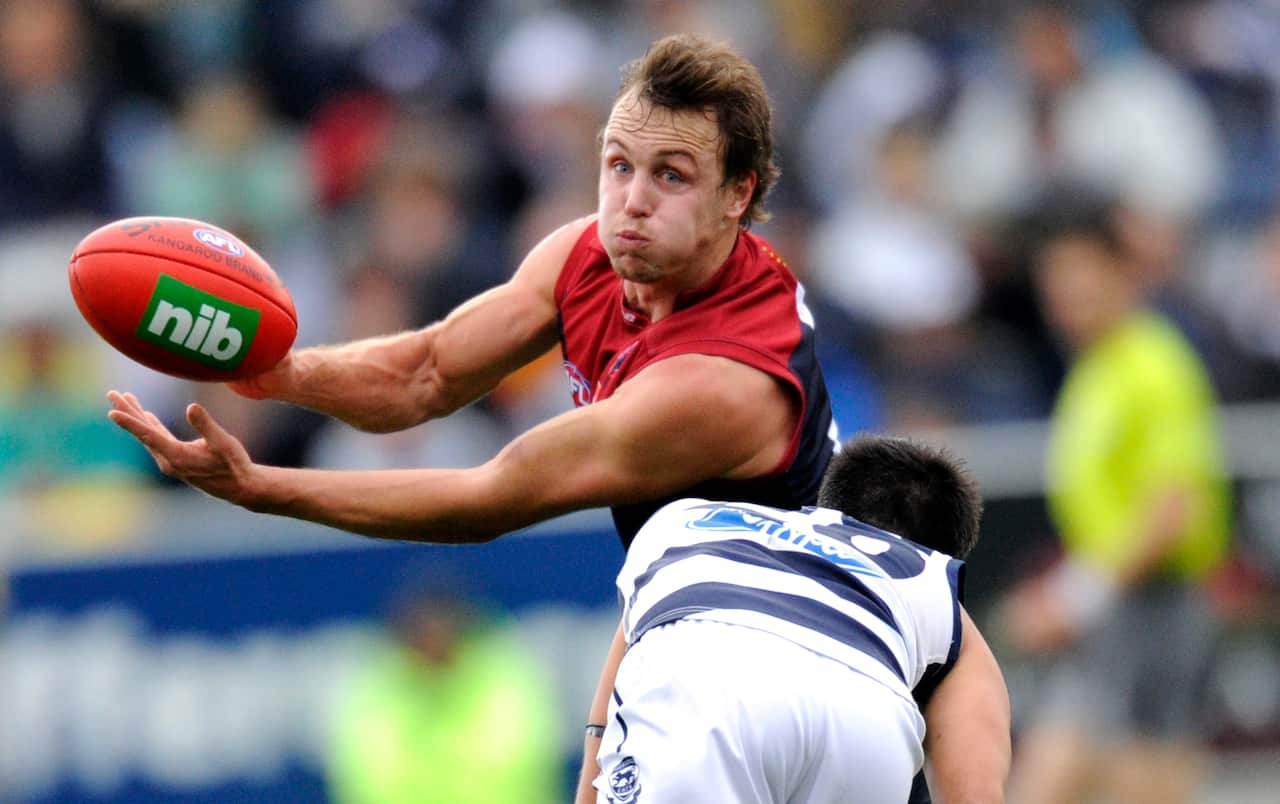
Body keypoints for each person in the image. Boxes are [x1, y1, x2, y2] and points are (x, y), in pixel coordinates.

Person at [107, 34, 957, 803]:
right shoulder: (586, 254)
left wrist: (264, 488)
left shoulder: (722, 382)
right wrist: (277, 371)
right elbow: (427, 372)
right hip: (701, 647)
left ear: (739, 195)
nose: (630, 199)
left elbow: (492, 496)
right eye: (619, 163)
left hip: (794, 693)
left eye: (671, 175)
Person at [591, 434, 1010, 803]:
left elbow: (610, 698)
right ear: (943, 554)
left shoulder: (688, 521)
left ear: (825, 505)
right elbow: (977, 792)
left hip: (710, 682)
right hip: (866, 721)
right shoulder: (929, 581)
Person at [1001, 203, 1232, 804]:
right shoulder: (1094, 370)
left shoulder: (1154, 366)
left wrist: (1073, 600)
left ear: (1120, 274)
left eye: (1079, 276)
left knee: (1136, 780)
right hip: (1113, 611)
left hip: (1154, 609)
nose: (1065, 297)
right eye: (1054, 282)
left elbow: (1172, 510)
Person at [327, 578, 560, 804]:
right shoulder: (379, 689)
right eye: (423, 633)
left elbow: (511, 766)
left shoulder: (503, 674)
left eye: (441, 630)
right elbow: (371, 778)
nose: (433, 644)